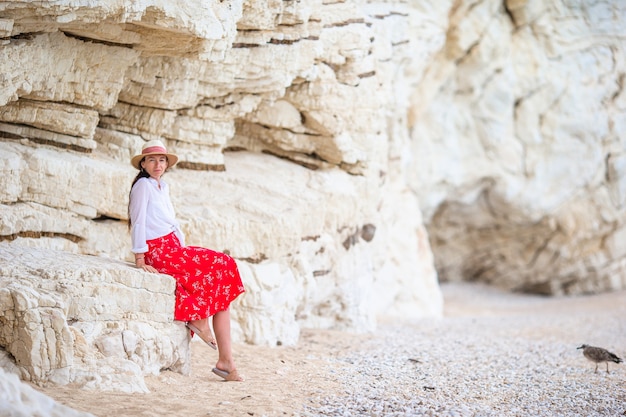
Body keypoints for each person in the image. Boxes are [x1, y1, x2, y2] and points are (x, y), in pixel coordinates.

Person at [128, 139, 245, 382]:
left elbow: (171, 223)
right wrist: (140, 257)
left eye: (162, 160)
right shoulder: (143, 187)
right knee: (223, 264)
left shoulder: (163, 186)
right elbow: (137, 220)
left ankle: (226, 360)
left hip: (173, 247)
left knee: (222, 283)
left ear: (167, 164)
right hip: (158, 250)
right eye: (151, 159)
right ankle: (201, 322)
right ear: (143, 163)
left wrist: (182, 249)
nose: (157, 164)